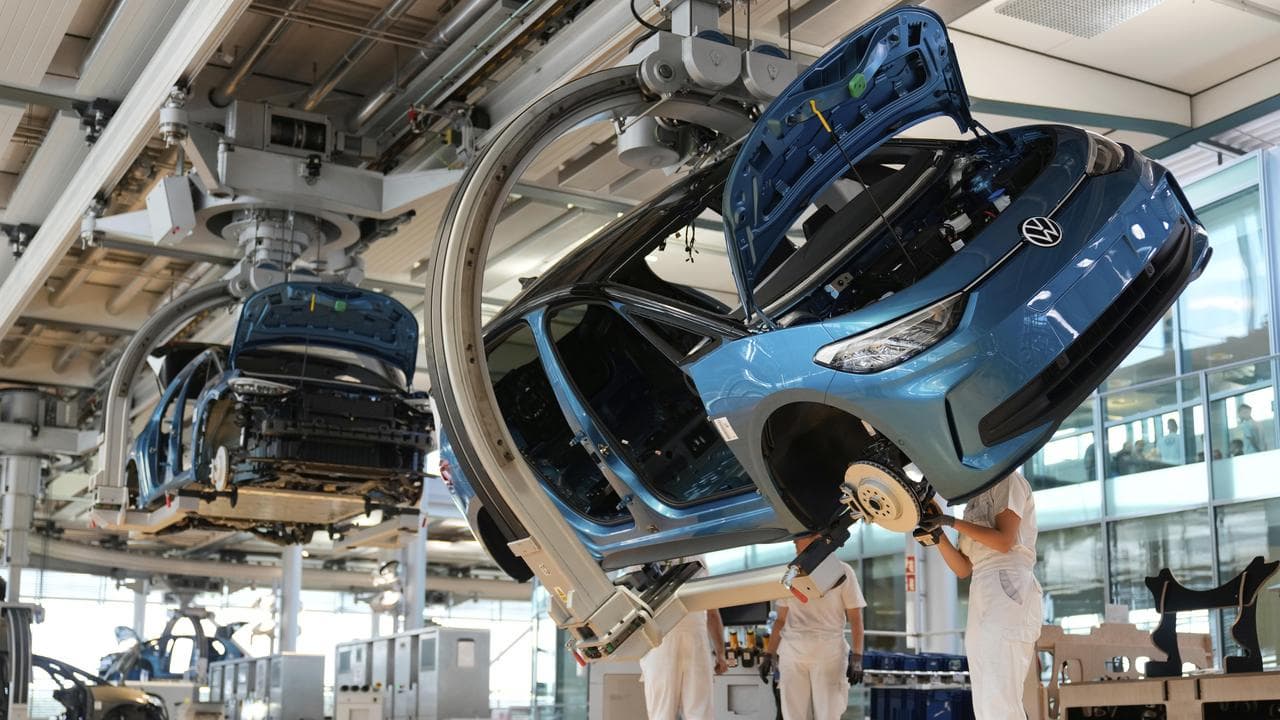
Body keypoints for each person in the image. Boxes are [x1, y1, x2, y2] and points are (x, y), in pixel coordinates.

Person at [917, 471, 1042, 720]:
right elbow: (963, 568)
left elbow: (1005, 541)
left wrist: (950, 522)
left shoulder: (1008, 480)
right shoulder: (973, 501)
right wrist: (937, 535)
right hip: (982, 587)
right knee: (984, 696)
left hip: (1009, 582)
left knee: (1000, 693)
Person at [758, 534, 866, 720]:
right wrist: (769, 653)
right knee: (794, 715)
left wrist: (857, 657)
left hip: (828, 654)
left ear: (817, 538)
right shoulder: (790, 573)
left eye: (799, 537)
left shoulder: (842, 571)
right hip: (793, 654)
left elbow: (856, 618)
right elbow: (781, 620)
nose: (794, 542)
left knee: (828, 715)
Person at [639, 557, 729, 720]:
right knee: (700, 712)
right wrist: (721, 654)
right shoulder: (698, 560)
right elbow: (713, 613)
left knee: (661, 713)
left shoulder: (642, 557)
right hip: (693, 638)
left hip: (660, 638)